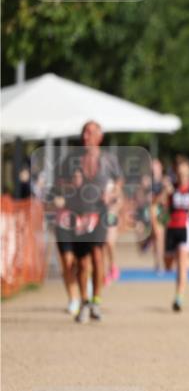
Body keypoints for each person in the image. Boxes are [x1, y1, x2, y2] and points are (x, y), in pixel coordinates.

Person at [54, 120, 122, 323]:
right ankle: (84, 302)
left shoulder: (109, 159)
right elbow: (58, 186)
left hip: (99, 213)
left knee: (98, 257)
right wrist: (70, 184)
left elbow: (119, 181)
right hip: (79, 216)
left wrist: (112, 195)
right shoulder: (71, 160)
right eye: (84, 132)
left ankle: (96, 301)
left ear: (99, 138)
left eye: (90, 133)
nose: (86, 136)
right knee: (83, 263)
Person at [161, 155, 189, 312]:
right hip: (171, 227)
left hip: (185, 227)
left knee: (182, 263)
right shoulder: (171, 187)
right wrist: (166, 192)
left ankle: (179, 296)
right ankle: (176, 260)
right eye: (180, 174)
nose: (183, 177)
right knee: (168, 263)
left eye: (186, 173)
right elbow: (159, 205)